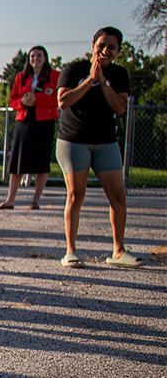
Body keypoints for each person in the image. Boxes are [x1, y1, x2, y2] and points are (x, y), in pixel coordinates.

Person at [55, 27, 143, 269]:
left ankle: (118, 251)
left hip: (106, 142)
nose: (105, 50)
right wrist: (90, 80)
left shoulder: (119, 74)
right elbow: (63, 101)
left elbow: (120, 107)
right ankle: (70, 251)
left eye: (111, 47)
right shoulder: (75, 69)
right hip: (73, 141)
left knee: (118, 196)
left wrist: (103, 82)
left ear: (117, 52)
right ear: (93, 44)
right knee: (76, 195)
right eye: (102, 44)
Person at [0, 46, 59, 210]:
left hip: (44, 122)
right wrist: (23, 102)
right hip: (24, 121)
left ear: (45, 58)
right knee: (17, 161)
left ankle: (36, 200)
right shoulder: (21, 77)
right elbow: (13, 101)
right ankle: (10, 200)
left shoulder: (54, 76)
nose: (35, 59)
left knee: (42, 161)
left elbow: (57, 100)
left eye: (39, 56)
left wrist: (37, 98)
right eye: (32, 56)